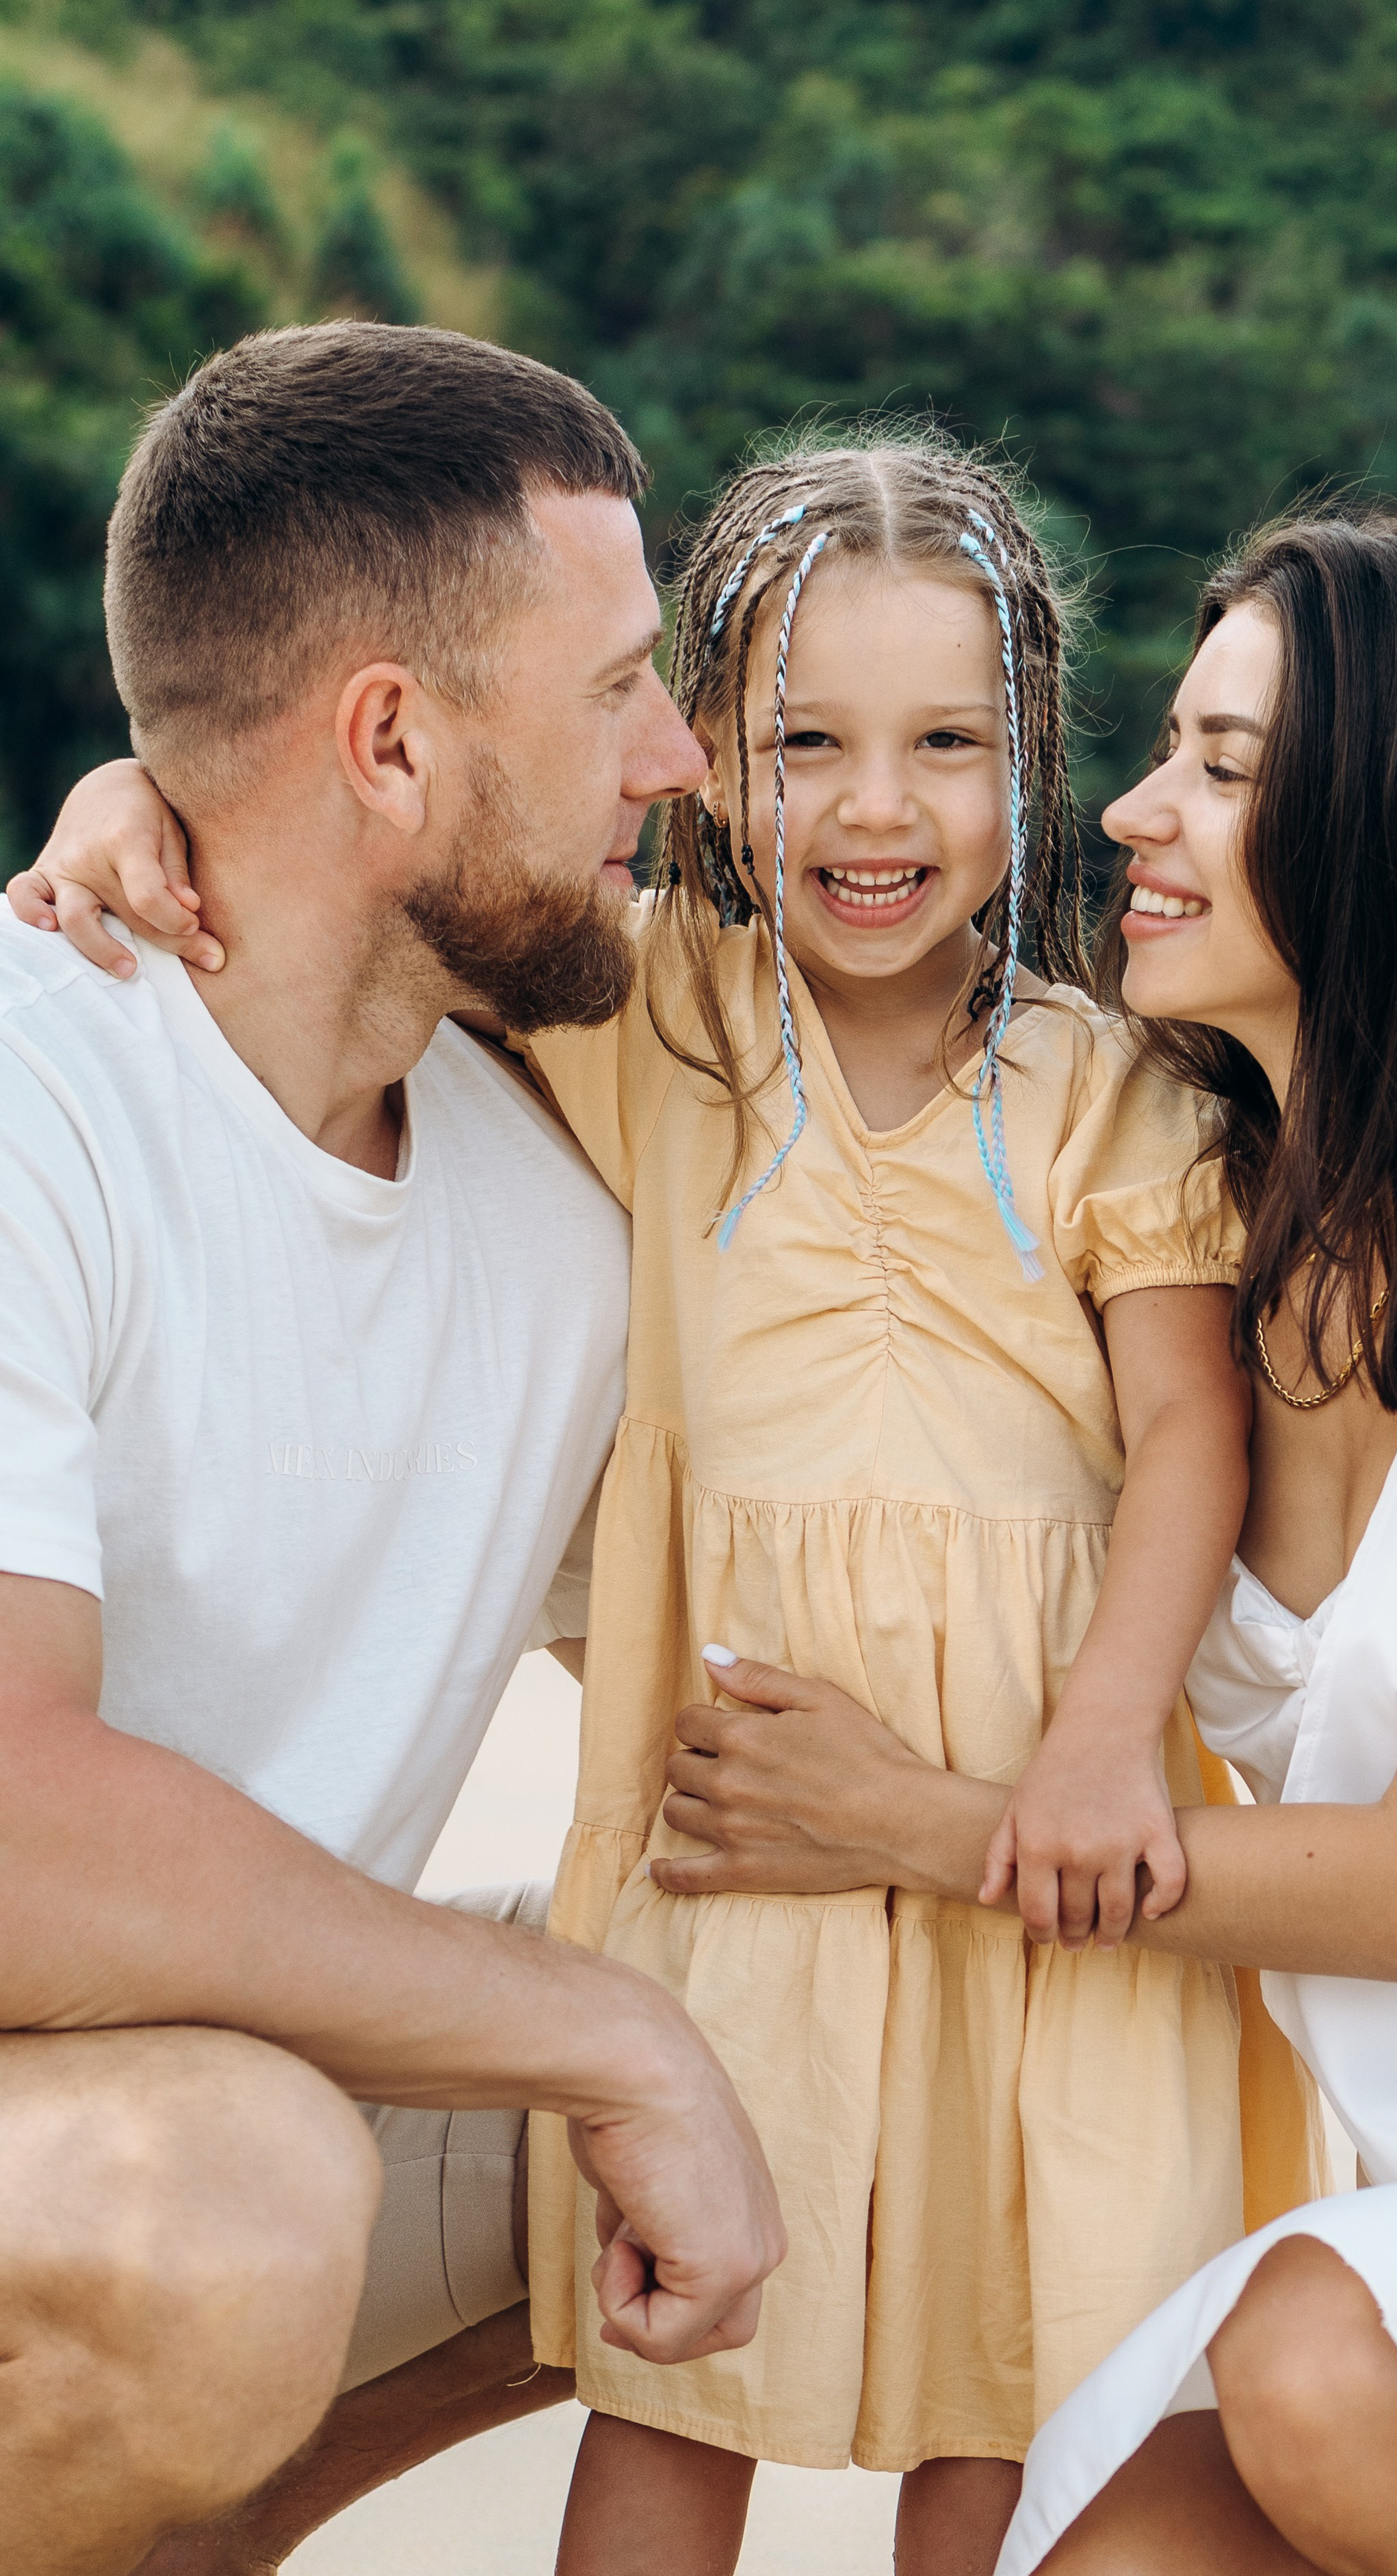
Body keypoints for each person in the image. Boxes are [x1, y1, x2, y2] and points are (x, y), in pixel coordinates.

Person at [27, 430, 1327, 2576]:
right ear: (711, 757)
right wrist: (133, 804)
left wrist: (1101, 1745)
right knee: (669, 2359)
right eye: (800, 741)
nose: (876, 807)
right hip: (729, 1861)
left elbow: (1190, 1431)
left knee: (1010, 2404)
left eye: (945, 744)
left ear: (1033, 759)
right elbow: (348, 891)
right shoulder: (652, 1028)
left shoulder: (1113, 1095)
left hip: (1039, 1864)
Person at [515, 508, 1397, 2576]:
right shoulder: (1274, 1240)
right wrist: (123, 805)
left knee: (1302, 2357)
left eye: (1229, 767)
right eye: (1168, 745)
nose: (1139, 810)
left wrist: (912, 1818)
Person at [0, 319, 783, 2576]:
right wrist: (607, 2042)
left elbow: (738, 1679)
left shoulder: (542, 1205)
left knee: (795, 2012)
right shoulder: (42, 1107)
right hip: (144, 2149)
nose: (683, 757)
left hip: (180, 2091)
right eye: (623, 682)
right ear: (389, 739)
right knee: (244, 2198)